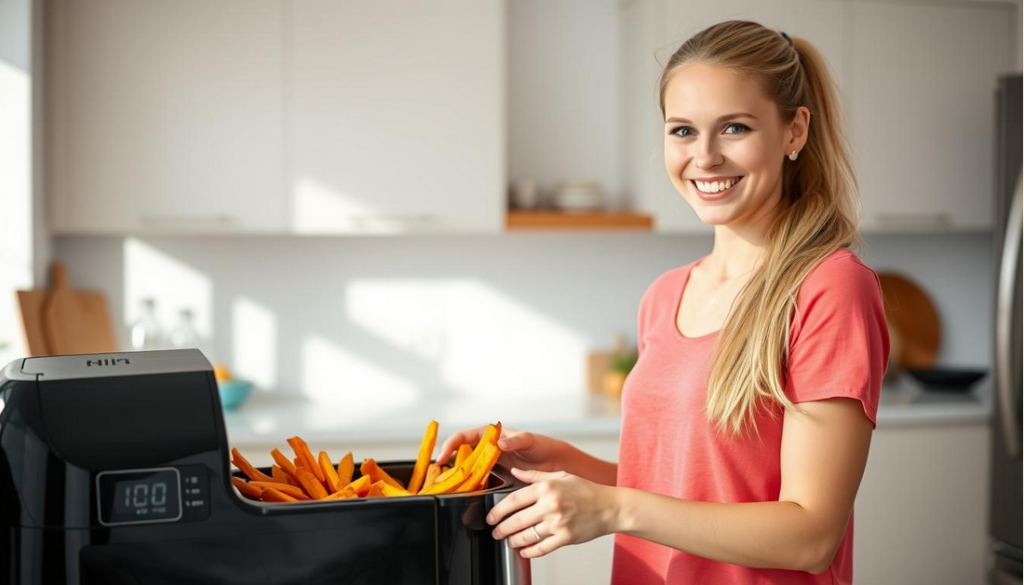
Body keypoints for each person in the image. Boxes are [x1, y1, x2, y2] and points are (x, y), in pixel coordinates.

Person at [437, 20, 889, 584]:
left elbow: (811, 535)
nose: (705, 157)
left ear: (794, 131)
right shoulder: (666, 294)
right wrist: (560, 465)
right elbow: (688, 486)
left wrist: (613, 508)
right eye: (682, 131)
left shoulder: (830, 288)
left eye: (734, 128)